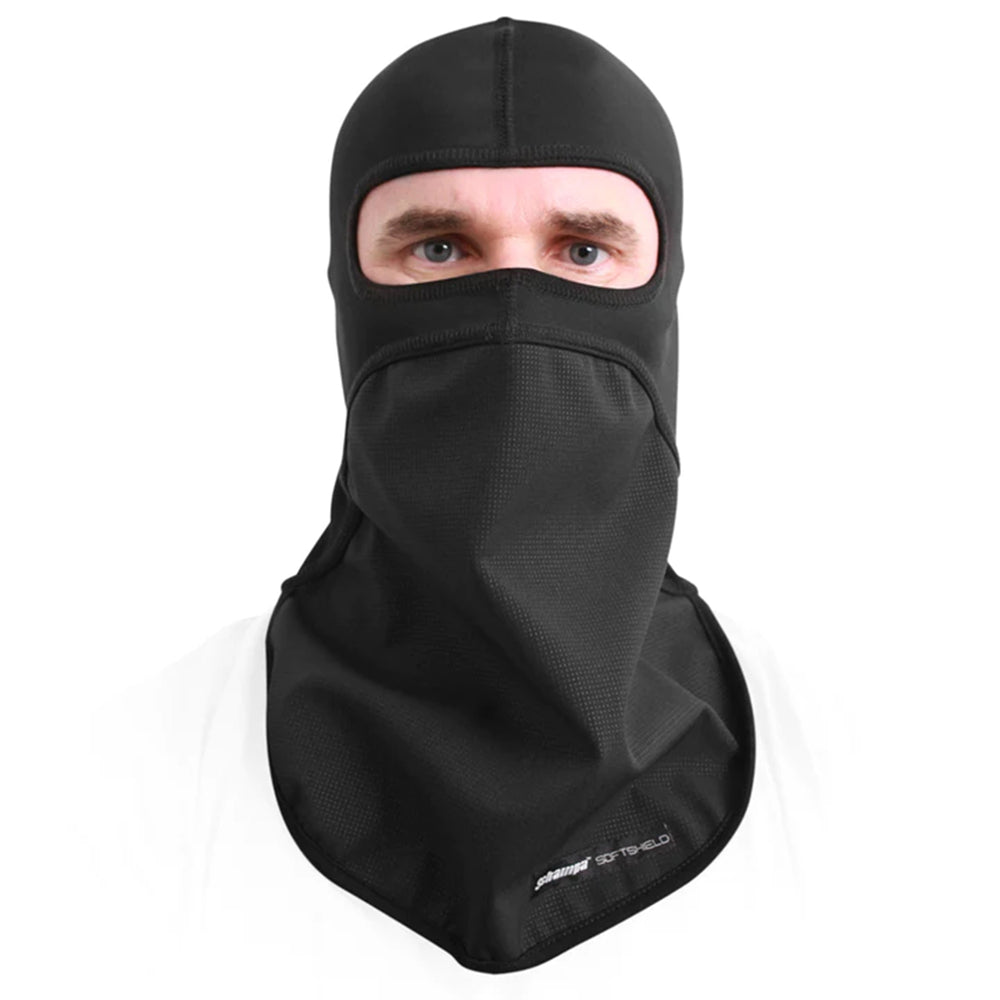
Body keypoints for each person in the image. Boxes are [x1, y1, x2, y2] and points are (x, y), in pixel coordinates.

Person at [84, 16, 825, 993]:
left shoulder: (844, 769)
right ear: (348, 296)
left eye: (582, 250)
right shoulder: (126, 781)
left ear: (665, 292)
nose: (513, 307)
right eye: (439, 249)